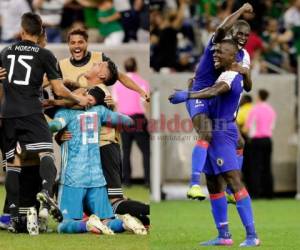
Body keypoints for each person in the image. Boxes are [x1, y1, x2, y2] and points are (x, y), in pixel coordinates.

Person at [0, 12, 90, 232]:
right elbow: (59, 88)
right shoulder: (44, 54)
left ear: (21, 31)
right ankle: (47, 193)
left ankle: (13, 217)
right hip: (31, 111)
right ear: (40, 31)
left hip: (8, 114)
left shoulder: (4, 52)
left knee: (13, 164)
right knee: (46, 153)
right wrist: (79, 98)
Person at [169, 39, 260, 247]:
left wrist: (188, 95)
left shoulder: (229, 76)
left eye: (221, 52)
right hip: (218, 129)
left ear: (233, 57)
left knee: (233, 180)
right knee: (212, 183)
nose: (216, 55)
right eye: (216, 51)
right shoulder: (226, 71)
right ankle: (224, 235)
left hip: (222, 132)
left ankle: (252, 235)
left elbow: (214, 91)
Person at [57, 28, 150, 226]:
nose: (77, 46)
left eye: (80, 42)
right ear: (68, 44)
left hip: (103, 143)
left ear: (87, 43)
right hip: (84, 147)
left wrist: (140, 91)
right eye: (73, 43)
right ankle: (131, 217)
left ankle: (144, 212)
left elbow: (116, 79)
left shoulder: (99, 84)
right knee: (89, 195)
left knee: (113, 201)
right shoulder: (62, 66)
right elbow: (54, 86)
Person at [49, 81, 146, 235]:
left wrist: (44, 129)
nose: (88, 96)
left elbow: (55, 125)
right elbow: (128, 121)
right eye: (84, 93)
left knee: (64, 225)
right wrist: (113, 111)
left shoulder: (65, 114)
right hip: (97, 180)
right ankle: (125, 223)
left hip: (73, 180)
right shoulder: (99, 112)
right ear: (71, 97)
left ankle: (87, 224)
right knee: (108, 220)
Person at [183, 3, 253, 200]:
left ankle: (231, 189)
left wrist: (245, 73)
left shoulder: (243, 56)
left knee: (240, 142)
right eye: (239, 33)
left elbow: (246, 86)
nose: (243, 38)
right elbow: (222, 27)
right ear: (232, 32)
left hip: (216, 98)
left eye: (246, 35)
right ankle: (194, 184)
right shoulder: (219, 42)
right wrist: (240, 10)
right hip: (199, 93)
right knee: (206, 132)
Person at [112, 57, 150, 187]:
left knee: (126, 151)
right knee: (146, 151)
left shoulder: (117, 85)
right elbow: (144, 102)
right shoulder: (142, 82)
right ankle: (148, 181)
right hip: (138, 118)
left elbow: (115, 103)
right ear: (136, 67)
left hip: (123, 119)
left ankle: (127, 181)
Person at [244, 89, 276, 199]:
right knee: (267, 167)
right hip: (268, 140)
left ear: (259, 97)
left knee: (255, 167)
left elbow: (247, 127)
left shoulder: (255, 109)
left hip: (256, 141)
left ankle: (255, 193)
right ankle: (269, 193)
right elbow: (272, 126)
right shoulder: (271, 110)